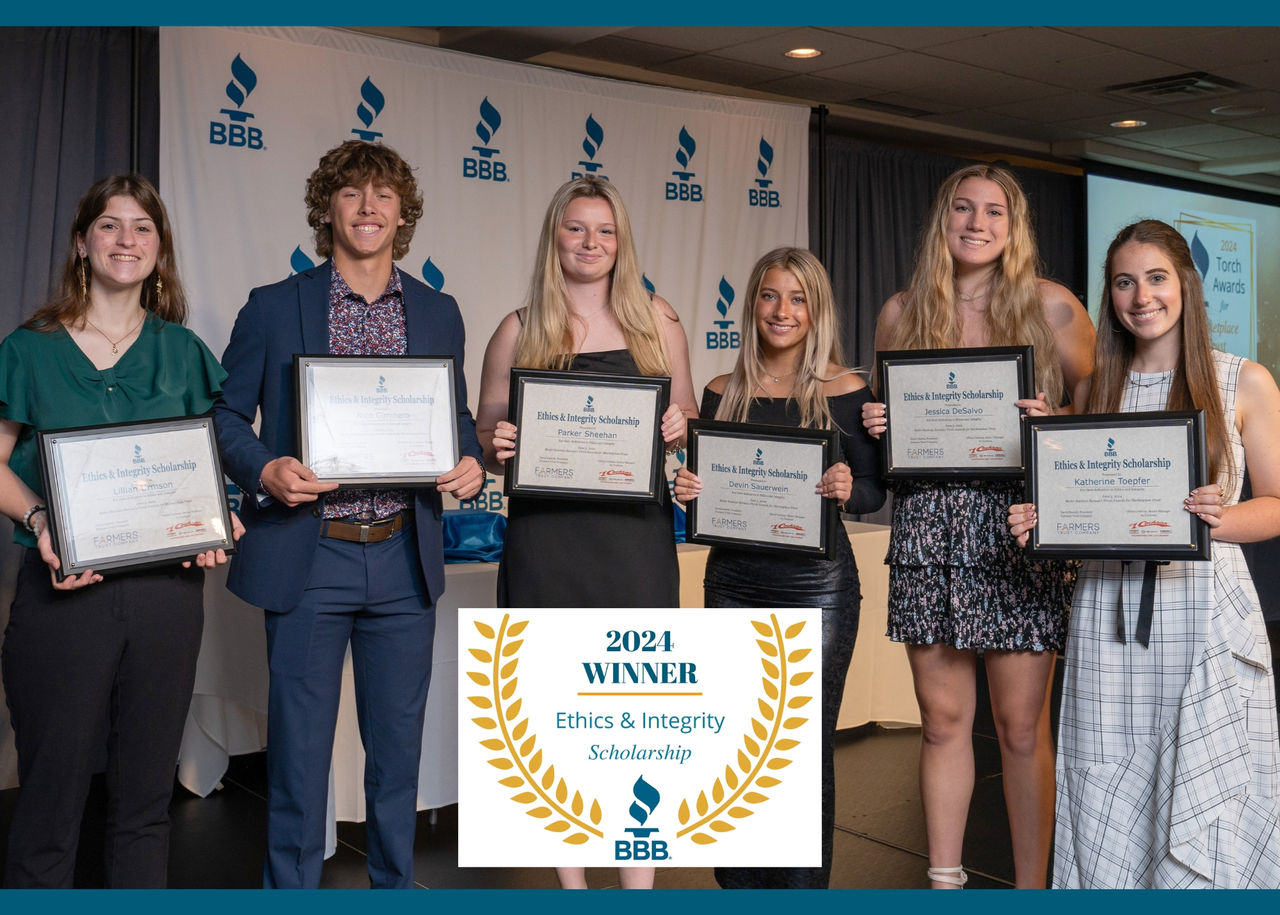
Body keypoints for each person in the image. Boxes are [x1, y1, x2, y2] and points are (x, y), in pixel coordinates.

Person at [213, 140, 485, 889]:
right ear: (326, 208)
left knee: (397, 756)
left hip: (402, 555)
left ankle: (392, 891)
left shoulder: (438, 311)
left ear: (403, 213)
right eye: (352, 194)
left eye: (384, 195)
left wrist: (470, 460)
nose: (369, 208)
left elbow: (456, 418)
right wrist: (263, 467)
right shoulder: (274, 307)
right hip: (310, 553)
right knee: (299, 758)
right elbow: (226, 416)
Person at [1008, 219, 1280, 888]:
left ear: (1186, 283)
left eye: (1156, 278)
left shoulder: (1243, 380)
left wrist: (1214, 521)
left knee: (1204, 798)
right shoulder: (1096, 386)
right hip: (1107, 612)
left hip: (1205, 613)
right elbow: (1082, 502)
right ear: (1110, 294)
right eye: (1124, 282)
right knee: (1105, 795)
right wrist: (1042, 521)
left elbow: (1277, 503)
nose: (1141, 296)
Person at [0, 174, 239, 887]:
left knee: (144, 802)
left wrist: (214, 516)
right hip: (63, 596)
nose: (125, 240)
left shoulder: (183, 350)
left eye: (142, 227)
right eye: (109, 225)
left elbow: (200, 465)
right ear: (82, 242)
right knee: (50, 800)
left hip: (167, 597)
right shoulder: (29, 348)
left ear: (159, 248)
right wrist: (39, 518)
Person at [861, 163, 1095, 888]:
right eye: (963, 208)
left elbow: (1100, 410)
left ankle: (1029, 891)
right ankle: (944, 883)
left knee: (1020, 729)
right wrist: (878, 422)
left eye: (995, 212)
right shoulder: (902, 312)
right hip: (928, 529)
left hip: (1017, 529)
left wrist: (1055, 421)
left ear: (1014, 226)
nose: (977, 223)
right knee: (941, 723)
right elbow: (889, 423)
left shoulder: (1053, 306)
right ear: (944, 218)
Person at [474, 175, 697, 889]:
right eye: (576, 228)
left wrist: (677, 424)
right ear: (555, 236)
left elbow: (687, 417)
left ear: (621, 241)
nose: (590, 242)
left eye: (605, 230)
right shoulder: (518, 328)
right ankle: (571, 889)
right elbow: (485, 435)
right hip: (547, 543)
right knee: (554, 716)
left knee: (638, 722)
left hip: (634, 542)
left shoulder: (658, 320)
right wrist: (497, 442)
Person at [672, 247, 885, 888]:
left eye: (798, 298)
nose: (782, 310)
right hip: (732, 582)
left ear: (816, 309)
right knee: (737, 746)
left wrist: (847, 487)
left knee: (802, 747)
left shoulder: (847, 390)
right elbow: (708, 487)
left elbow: (874, 488)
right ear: (752, 305)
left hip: (818, 588)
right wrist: (688, 488)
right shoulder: (721, 391)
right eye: (770, 295)